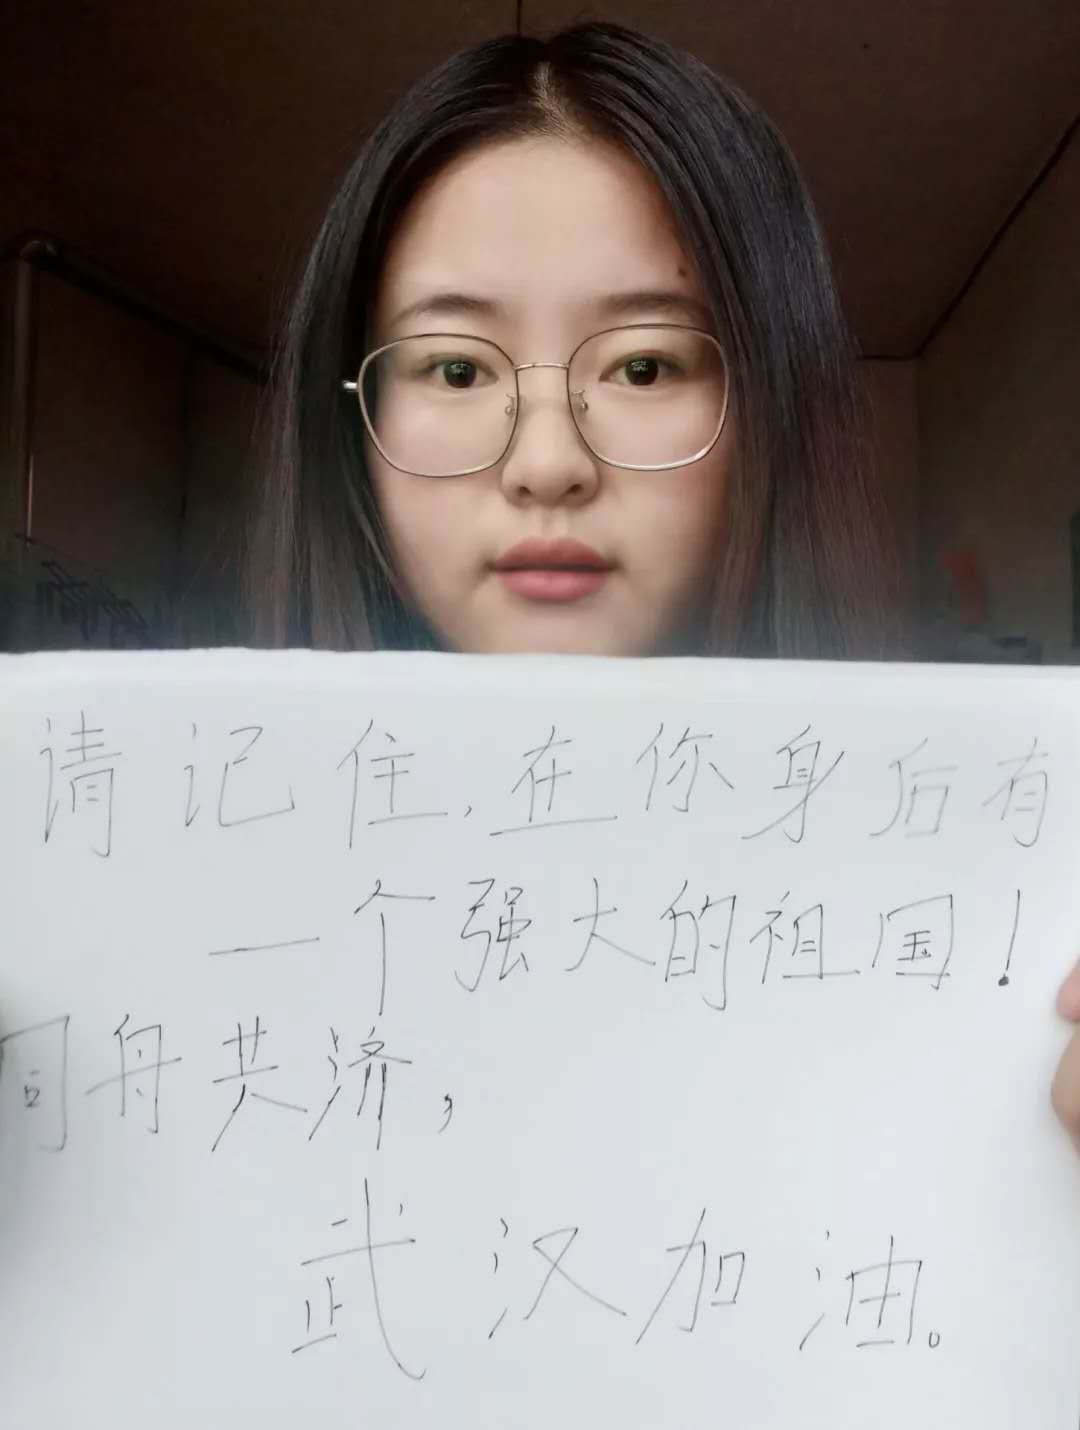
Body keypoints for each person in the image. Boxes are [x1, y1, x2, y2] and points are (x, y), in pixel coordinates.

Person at [247, 22, 1080, 1147]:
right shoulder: (178, 899)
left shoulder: (1016, 887)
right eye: (455, 367)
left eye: (644, 366)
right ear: (353, 421)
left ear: (774, 416)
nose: (548, 463)